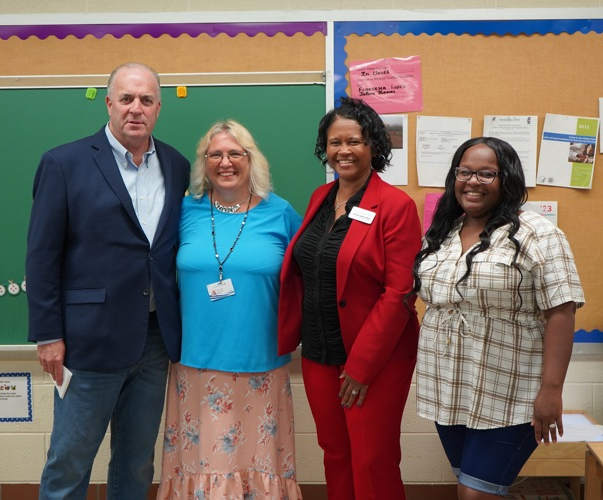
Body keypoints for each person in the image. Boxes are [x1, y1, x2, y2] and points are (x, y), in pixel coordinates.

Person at [26, 62, 190, 499]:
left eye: (147, 100)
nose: (136, 108)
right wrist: (48, 335)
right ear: (109, 103)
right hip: (88, 340)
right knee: (70, 461)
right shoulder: (64, 163)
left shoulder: (176, 165)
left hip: (154, 340)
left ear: (158, 108)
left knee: (136, 463)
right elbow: (42, 256)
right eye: (127, 98)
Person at [410, 137, 585, 499]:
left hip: (511, 390)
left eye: (486, 174)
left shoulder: (537, 233)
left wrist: (551, 390)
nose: (473, 181)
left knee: (475, 492)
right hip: (448, 387)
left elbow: (561, 310)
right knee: (468, 484)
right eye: (465, 172)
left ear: (507, 178)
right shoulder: (442, 232)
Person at [278, 97, 422, 499]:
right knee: (336, 453)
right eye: (334, 142)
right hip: (319, 353)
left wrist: (361, 366)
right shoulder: (320, 198)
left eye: (354, 141)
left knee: (372, 459)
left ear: (373, 145)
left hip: (373, 359)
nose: (343, 150)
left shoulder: (395, 206)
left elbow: (400, 293)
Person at [157, 120, 303, 499]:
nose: (225, 162)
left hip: (263, 363)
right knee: (206, 463)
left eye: (235, 153)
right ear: (203, 162)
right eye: (215, 154)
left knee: (259, 460)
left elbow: (308, 275)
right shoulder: (183, 211)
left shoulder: (280, 212)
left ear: (251, 160)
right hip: (197, 363)